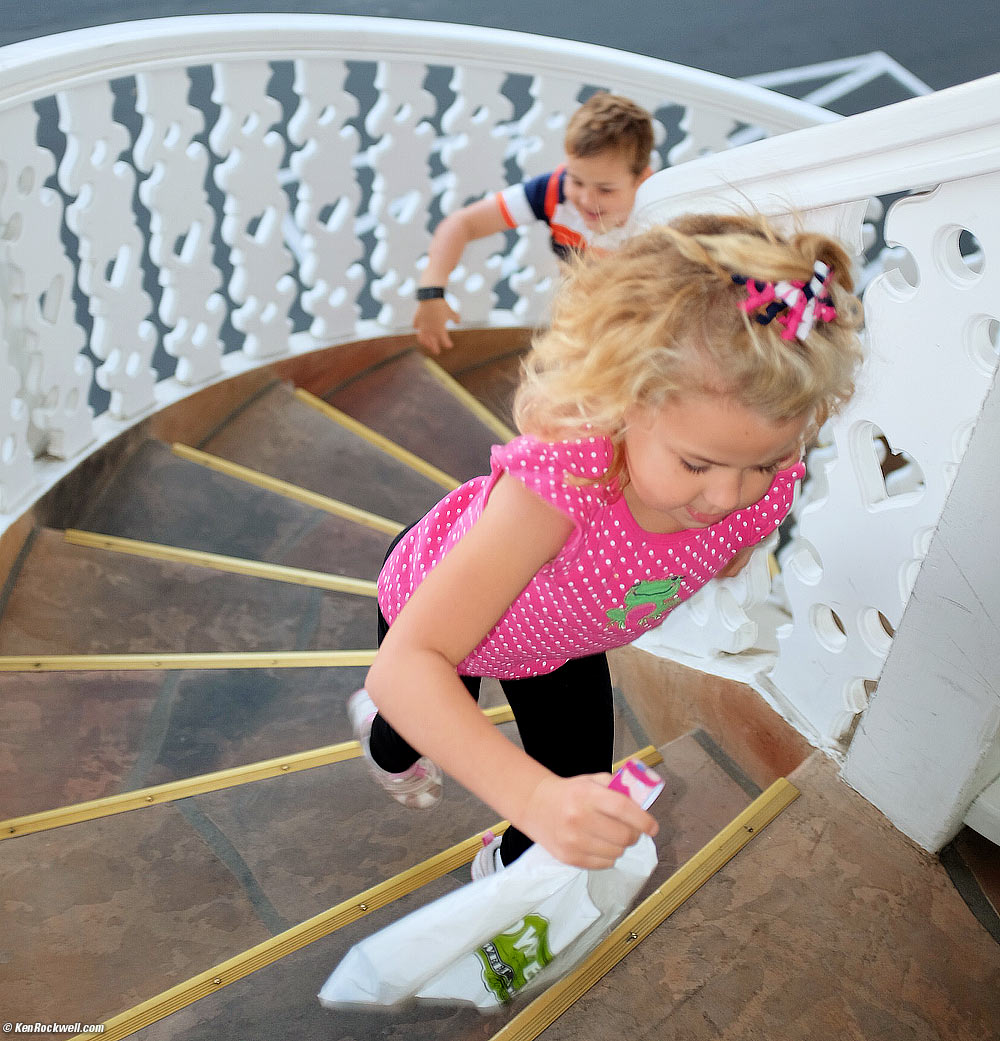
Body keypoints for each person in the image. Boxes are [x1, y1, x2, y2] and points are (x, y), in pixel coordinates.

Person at [350, 213, 864, 880]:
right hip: (435, 601)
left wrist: (550, 805)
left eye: (763, 464)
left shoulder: (760, 477)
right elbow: (407, 662)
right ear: (624, 405)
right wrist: (531, 795)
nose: (728, 497)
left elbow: (736, 528)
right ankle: (381, 736)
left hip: (556, 642)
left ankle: (512, 874)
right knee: (412, 724)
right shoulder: (565, 482)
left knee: (582, 776)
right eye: (698, 464)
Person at [414, 92, 655, 354]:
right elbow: (462, 224)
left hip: (637, 334)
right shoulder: (553, 192)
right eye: (576, 180)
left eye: (605, 190)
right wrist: (431, 291)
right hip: (577, 321)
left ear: (642, 180)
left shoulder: (657, 219)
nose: (585, 199)